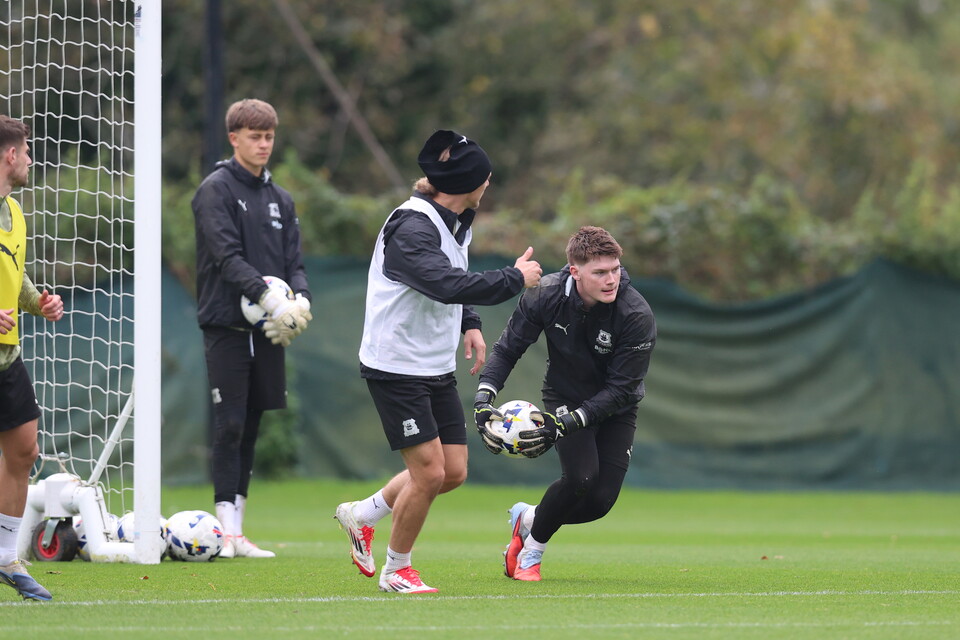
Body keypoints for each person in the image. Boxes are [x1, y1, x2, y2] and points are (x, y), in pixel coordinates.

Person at [334, 129, 542, 594]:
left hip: (432, 365)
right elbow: (443, 282)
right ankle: (396, 570)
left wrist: (468, 321)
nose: (489, 183)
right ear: (469, 182)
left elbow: (454, 275)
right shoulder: (411, 227)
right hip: (396, 366)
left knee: (452, 472)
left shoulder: (456, 217)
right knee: (428, 473)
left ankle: (362, 515)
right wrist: (514, 278)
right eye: (485, 177)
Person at [474, 225, 656, 582]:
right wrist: (484, 397)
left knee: (600, 503)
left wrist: (564, 425)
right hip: (564, 395)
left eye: (615, 269)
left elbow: (620, 390)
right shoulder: (544, 294)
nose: (611, 280)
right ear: (575, 271)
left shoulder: (636, 315)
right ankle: (531, 553)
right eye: (600, 272)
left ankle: (528, 518)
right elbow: (508, 348)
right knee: (580, 478)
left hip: (618, 405)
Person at [192, 99, 312, 559]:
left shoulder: (280, 198)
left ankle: (238, 531)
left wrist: (299, 303)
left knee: (253, 425)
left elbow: (293, 263)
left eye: (269, 137)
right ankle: (225, 531)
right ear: (234, 138)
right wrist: (270, 299)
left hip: (269, 328)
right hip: (225, 324)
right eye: (254, 137)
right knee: (230, 423)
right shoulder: (215, 190)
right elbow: (226, 257)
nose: (263, 145)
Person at [0, 115, 64, 600]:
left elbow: (14, 274)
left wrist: (36, 302)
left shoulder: (15, 211)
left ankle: (5, 559)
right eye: (26, 151)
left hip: (7, 355)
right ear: (8, 155)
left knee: (24, 450)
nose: (29, 159)